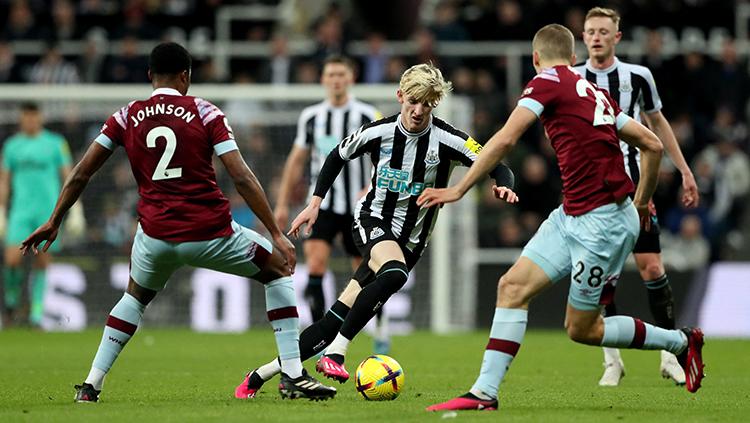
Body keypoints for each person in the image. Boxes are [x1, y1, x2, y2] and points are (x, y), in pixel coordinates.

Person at [20, 42, 336, 403]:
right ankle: (293, 375)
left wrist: (54, 219)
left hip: (154, 237)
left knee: (134, 297)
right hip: (211, 233)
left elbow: (81, 173)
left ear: (150, 75)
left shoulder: (125, 115)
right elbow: (242, 177)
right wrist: (276, 234)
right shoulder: (205, 112)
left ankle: (91, 385)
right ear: (186, 76)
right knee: (279, 269)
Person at [421, 24, 705, 412]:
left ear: (536, 59)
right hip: (572, 213)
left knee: (582, 329)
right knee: (512, 287)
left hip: (601, 223)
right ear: (574, 59)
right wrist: (640, 203)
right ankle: (484, 393)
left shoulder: (544, 82)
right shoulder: (593, 90)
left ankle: (682, 342)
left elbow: (505, 138)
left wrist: (458, 189)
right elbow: (651, 145)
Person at [233, 63, 518, 398]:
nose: (418, 110)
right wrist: (314, 203)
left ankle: (258, 375)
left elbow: (496, 164)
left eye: (426, 103)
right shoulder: (378, 132)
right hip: (372, 220)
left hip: (412, 241)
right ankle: (336, 352)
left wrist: (502, 184)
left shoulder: (449, 140)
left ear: (434, 104)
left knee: (334, 318)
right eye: (413, 100)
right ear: (400, 96)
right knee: (395, 274)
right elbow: (336, 156)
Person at [574, 7, 700, 386]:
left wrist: (684, 170)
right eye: (590, 31)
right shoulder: (572, 78)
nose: (596, 37)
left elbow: (657, 124)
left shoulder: (637, 77)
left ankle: (670, 354)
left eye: (603, 31)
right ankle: (612, 362)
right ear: (583, 36)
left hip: (635, 190)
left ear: (617, 37)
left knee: (652, 268)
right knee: (600, 277)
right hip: (591, 195)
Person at [274, 56, 388, 355]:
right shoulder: (311, 116)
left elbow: (386, 154)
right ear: (323, 80)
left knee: (367, 272)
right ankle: (320, 332)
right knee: (315, 264)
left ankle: (380, 329)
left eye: (341, 74)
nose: (336, 79)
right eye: (331, 74)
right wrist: (283, 203)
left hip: (360, 206)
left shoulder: (367, 113)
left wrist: (372, 184)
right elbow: (296, 160)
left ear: (351, 78)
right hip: (323, 204)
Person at [0, 102, 84, 328]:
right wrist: (1, 211)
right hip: (20, 211)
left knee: (42, 261)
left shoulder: (55, 144)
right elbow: (5, 181)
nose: (30, 120)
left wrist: (76, 209)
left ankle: (36, 313)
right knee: (12, 260)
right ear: (21, 118)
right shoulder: (12, 146)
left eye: (34, 116)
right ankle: (11, 303)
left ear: (40, 118)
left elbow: (69, 176)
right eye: (26, 116)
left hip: (48, 213)